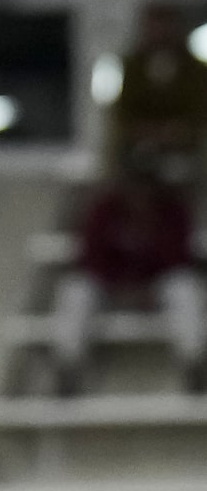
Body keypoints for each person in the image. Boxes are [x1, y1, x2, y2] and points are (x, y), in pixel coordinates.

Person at [48, 156, 204, 396]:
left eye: (146, 185)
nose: (140, 192)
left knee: (185, 287)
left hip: (156, 291)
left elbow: (179, 259)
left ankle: (194, 364)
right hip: (110, 290)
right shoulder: (104, 209)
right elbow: (90, 258)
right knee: (76, 289)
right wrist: (118, 289)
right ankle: (68, 366)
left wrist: (146, 288)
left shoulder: (172, 211)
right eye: (134, 184)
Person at [105, 0, 207, 176]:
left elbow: (200, 109)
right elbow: (123, 113)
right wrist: (146, 132)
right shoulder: (133, 67)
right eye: (155, 26)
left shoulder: (195, 69)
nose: (161, 33)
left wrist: (179, 131)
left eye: (166, 26)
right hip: (138, 148)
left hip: (189, 148)